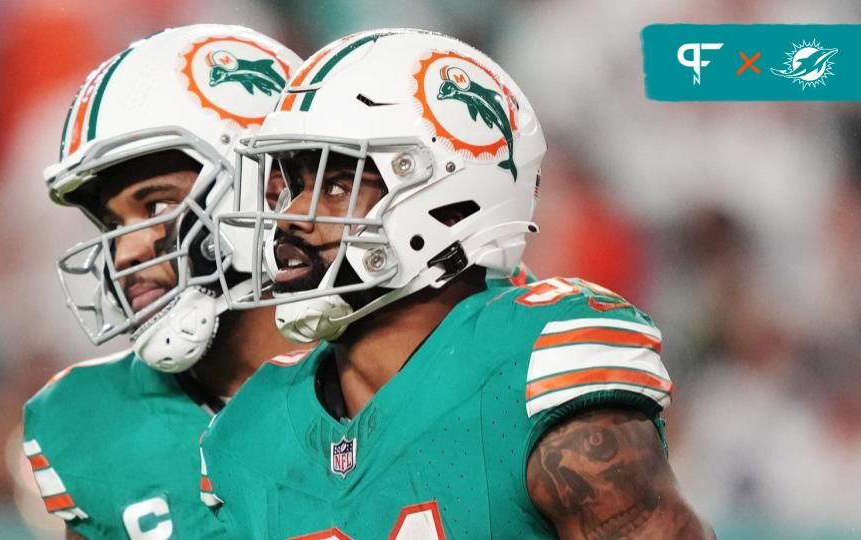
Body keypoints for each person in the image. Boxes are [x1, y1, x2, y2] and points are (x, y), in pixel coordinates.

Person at [200, 28, 715, 538]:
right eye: (291, 187)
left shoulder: (534, 366)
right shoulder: (250, 431)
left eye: (335, 185)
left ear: (446, 198)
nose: (291, 218)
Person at [22, 25, 303, 539]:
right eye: (113, 224)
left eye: (156, 205)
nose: (125, 251)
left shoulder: (405, 367)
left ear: (268, 190)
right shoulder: (95, 424)